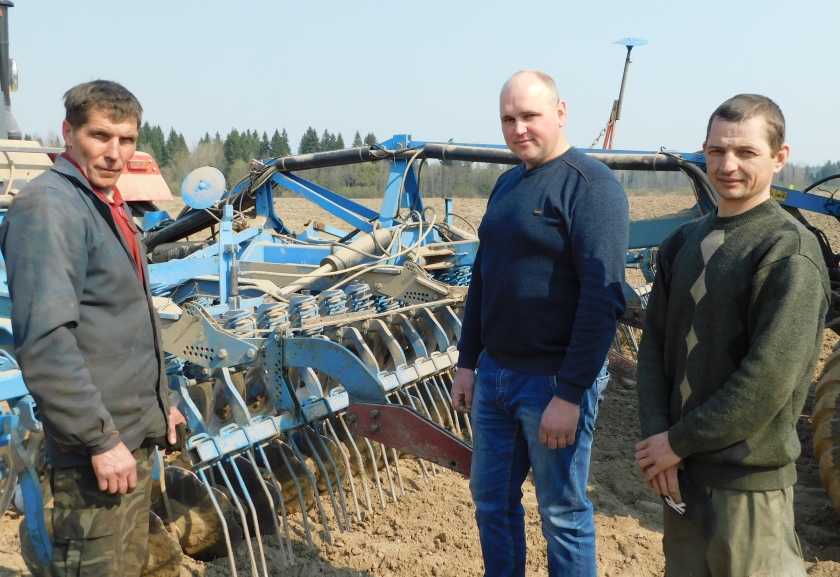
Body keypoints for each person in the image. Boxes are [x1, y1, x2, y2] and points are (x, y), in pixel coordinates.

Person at [635, 94, 829, 576]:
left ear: (779, 158)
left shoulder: (786, 250)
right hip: (679, 478)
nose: (728, 165)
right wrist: (659, 441)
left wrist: (677, 442)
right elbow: (654, 348)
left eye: (746, 152)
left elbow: (767, 380)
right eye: (717, 151)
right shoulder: (682, 243)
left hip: (748, 489)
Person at [0, 80, 185, 576]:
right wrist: (99, 440)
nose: (114, 152)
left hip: (128, 433)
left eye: (126, 140)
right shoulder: (49, 207)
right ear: (68, 132)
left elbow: (122, 323)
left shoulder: (107, 203)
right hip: (94, 450)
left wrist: (160, 403)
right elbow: (46, 341)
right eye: (100, 136)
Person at [451, 70, 629, 577]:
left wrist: (570, 394)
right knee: (492, 503)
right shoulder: (508, 184)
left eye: (530, 115)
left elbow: (602, 299)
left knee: (562, 515)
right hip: (496, 377)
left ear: (561, 112)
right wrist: (467, 362)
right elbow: (483, 279)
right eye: (508, 119)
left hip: (553, 382)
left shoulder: (592, 188)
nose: (518, 128)